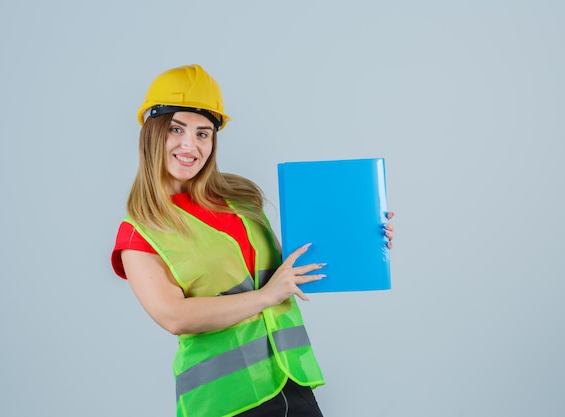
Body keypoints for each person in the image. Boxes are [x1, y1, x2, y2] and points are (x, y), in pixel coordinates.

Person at [111, 64, 394, 417]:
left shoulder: (239, 197)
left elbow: (289, 268)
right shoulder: (140, 230)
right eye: (175, 129)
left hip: (293, 382)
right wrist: (266, 296)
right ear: (151, 134)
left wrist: (363, 237)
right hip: (225, 401)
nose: (190, 145)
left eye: (203, 133)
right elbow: (174, 316)